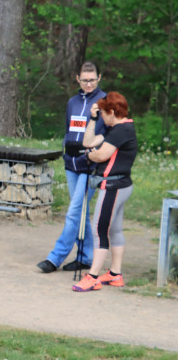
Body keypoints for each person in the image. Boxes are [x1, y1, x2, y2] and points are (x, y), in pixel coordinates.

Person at [37, 62, 106, 273]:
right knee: (81, 212)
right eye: (84, 80)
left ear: (99, 78)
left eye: (92, 80)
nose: (88, 84)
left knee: (74, 211)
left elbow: (108, 134)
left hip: (91, 165)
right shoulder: (72, 102)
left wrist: (95, 151)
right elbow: (69, 129)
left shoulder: (104, 102)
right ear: (77, 79)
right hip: (71, 164)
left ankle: (55, 258)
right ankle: (85, 256)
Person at [72, 92, 138, 292]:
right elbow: (88, 142)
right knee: (115, 230)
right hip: (121, 186)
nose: (101, 117)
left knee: (99, 229)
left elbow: (100, 154)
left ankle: (92, 276)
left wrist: (90, 156)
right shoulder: (119, 128)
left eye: (102, 114)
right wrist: (91, 120)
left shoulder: (120, 131)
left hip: (113, 187)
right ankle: (115, 274)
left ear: (112, 112)